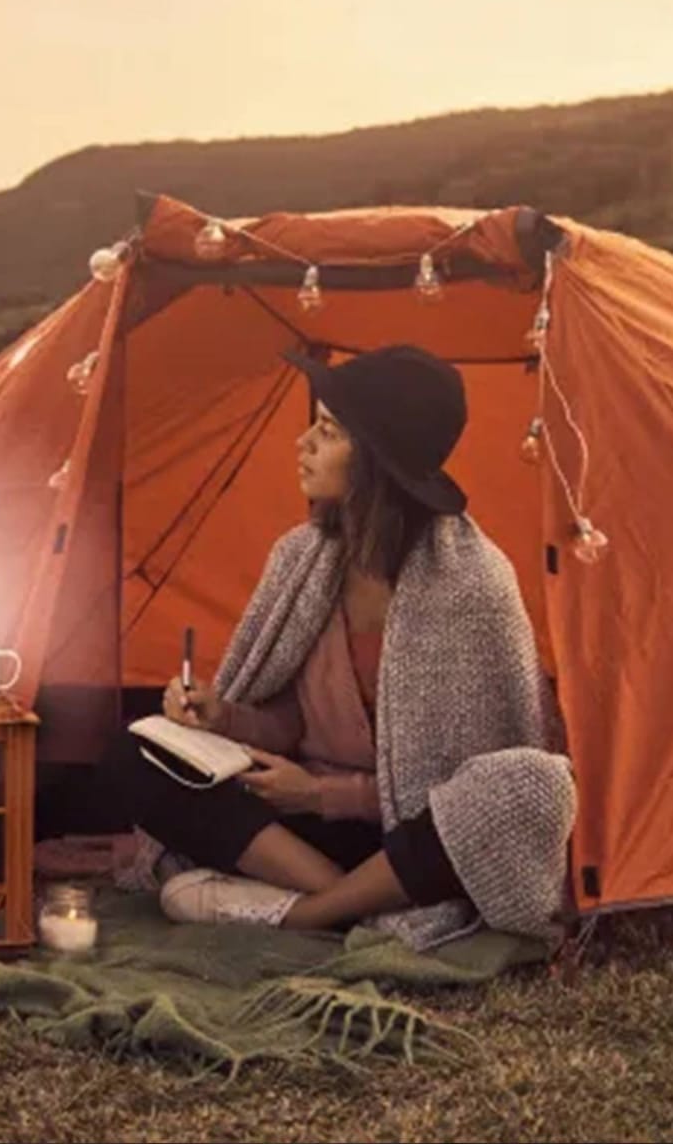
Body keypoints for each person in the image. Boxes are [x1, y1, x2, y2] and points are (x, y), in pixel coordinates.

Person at [103, 344, 575, 946]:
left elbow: (466, 784)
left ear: (376, 460)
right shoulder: (301, 559)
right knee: (132, 755)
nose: (303, 443)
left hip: (408, 839)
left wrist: (324, 794)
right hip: (297, 835)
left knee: (528, 786)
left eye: (327, 431)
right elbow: (293, 720)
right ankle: (349, 904)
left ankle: (305, 914)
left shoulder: (472, 582)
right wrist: (224, 715)